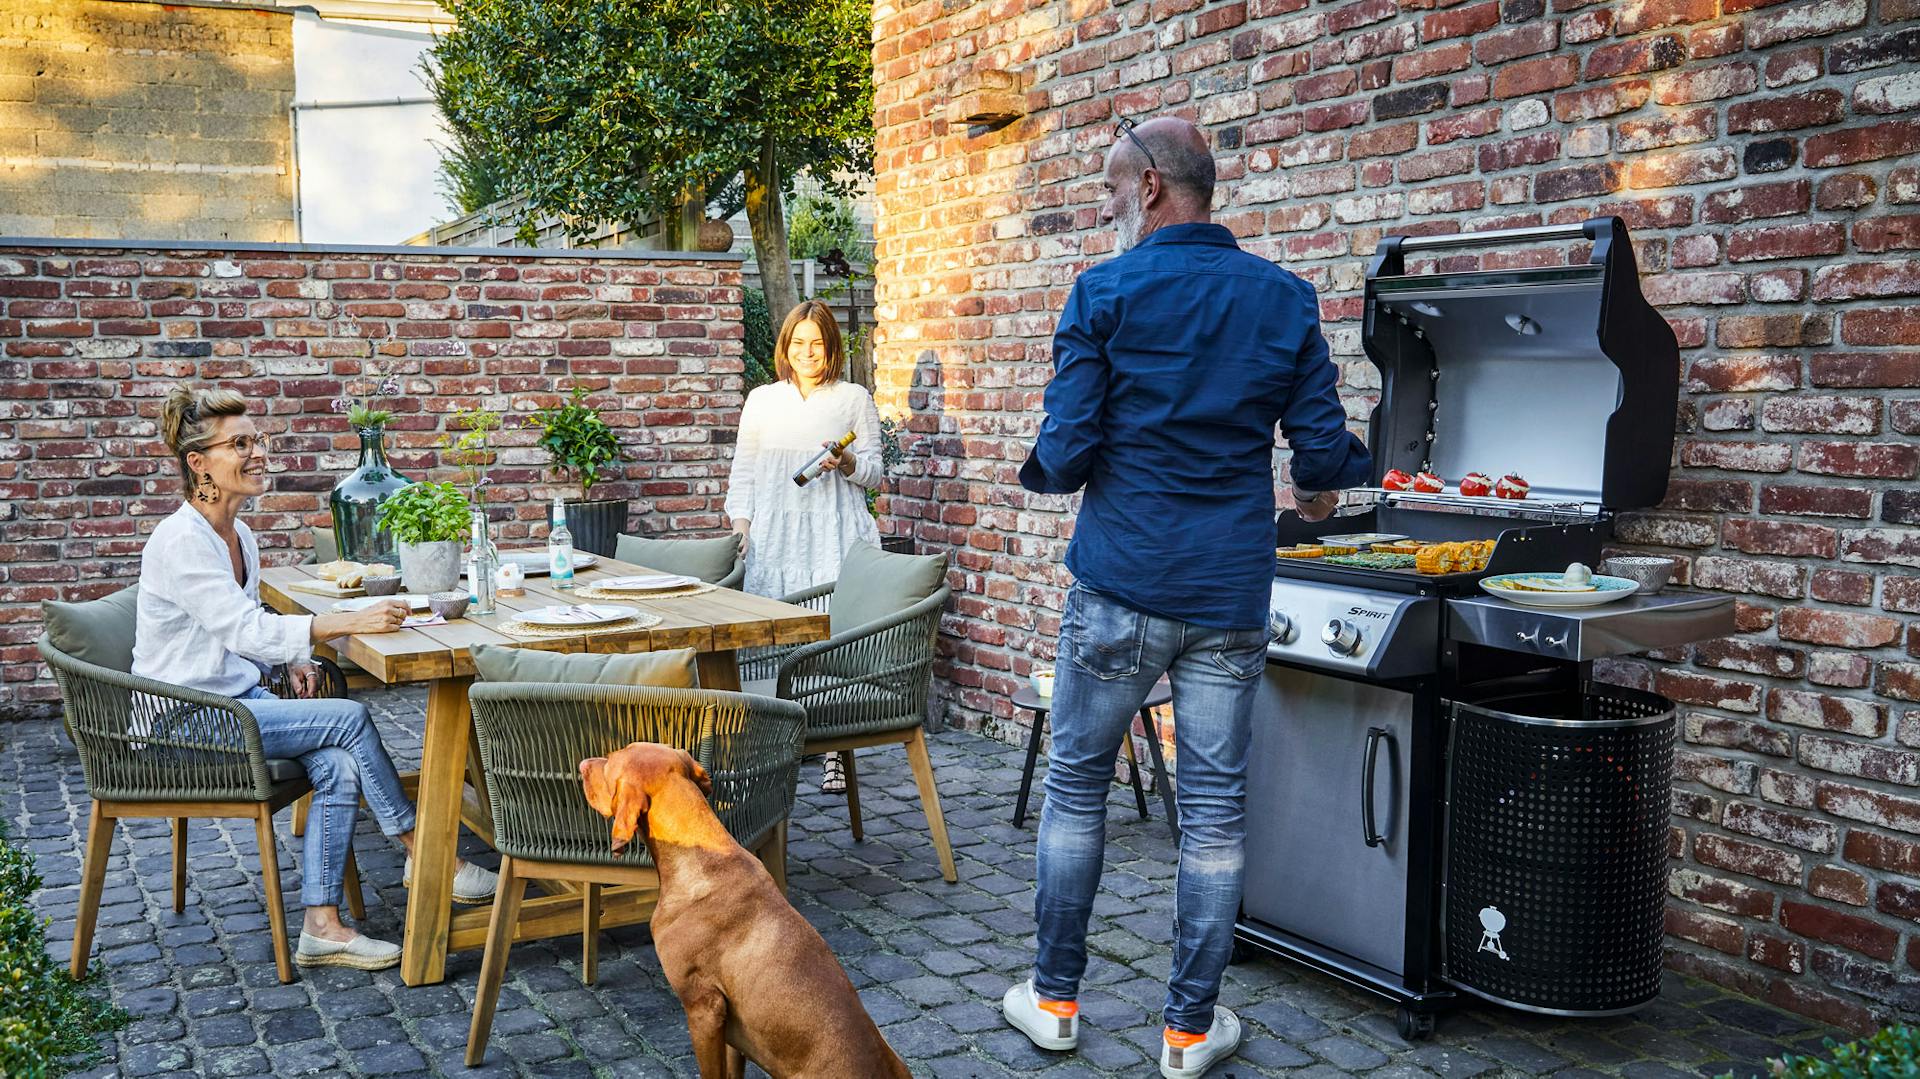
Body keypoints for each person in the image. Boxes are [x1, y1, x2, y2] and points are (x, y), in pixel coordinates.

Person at [1001, 116, 1371, 1078]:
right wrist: (1344, 481)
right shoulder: (1285, 299)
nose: (1107, 205)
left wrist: (1043, 466)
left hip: (1120, 583)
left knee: (1076, 789)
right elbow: (1323, 460)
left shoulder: (1103, 293)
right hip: (1229, 596)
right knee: (1212, 815)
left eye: (1114, 188)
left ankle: (1053, 1002)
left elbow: (1069, 447)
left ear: (1156, 187)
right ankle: (1186, 1031)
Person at [134, 385, 499, 971]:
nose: (258, 454)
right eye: (240, 445)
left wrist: (293, 662)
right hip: (182, 718)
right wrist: (341, 624)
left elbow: (240, 634)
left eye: (257, 440)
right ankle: (425, 854)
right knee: (350, 718)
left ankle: (321, 926)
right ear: (198, 463)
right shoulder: (181, 540)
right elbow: (243, 629)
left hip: (235, 701)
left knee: (338, 761)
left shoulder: (239, 535)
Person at [724, 300, 883, 792]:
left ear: (831, 347)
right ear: (785, 348)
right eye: (799, 343)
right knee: (774, 637)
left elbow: (876, 474)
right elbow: (744, 472)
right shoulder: (763, 400)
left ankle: (835, 748)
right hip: (775, 534)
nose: (808, 353)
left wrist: (850, 462)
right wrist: (742, 526)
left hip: (833, 532)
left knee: (829, 633)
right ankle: (778, 742)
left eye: (817, 343)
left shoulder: (853, 398)